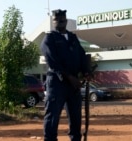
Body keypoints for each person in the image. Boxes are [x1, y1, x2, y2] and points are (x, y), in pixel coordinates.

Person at [41, 9, 90, 141]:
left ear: (66, 21)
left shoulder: (73, 38)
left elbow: (81, 55)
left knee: (75, 117)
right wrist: (69, 77)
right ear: (53, 21)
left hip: (73, 85)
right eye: (57, 20)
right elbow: (53, 61)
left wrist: (86, 71)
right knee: (52, 116)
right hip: (57, 83)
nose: (60, 22)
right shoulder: (49, 39)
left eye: (63, 19)